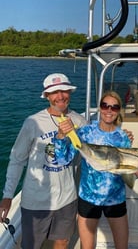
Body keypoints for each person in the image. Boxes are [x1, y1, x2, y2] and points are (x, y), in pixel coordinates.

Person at [0, 73, 87, 249]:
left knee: (62, 241)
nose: (60, 96)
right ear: (47, 96)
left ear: (70, 92)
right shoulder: (32, 122)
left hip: (67, 198)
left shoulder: (80, 121)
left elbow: (78, 161)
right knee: (31, 244)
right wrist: (8, 196)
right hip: (36, 200)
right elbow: (17, 160)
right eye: (54, 92)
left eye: (64, 91)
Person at [55, 90, 132, 249]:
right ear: (99, 108)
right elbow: (64, 159)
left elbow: (125, 168)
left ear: (119, 111)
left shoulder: (123, 137)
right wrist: (61, 136)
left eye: (114, 107)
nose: (109, 110)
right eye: (105, 106)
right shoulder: (85, 132)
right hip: (88, 198)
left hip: (115, 198)